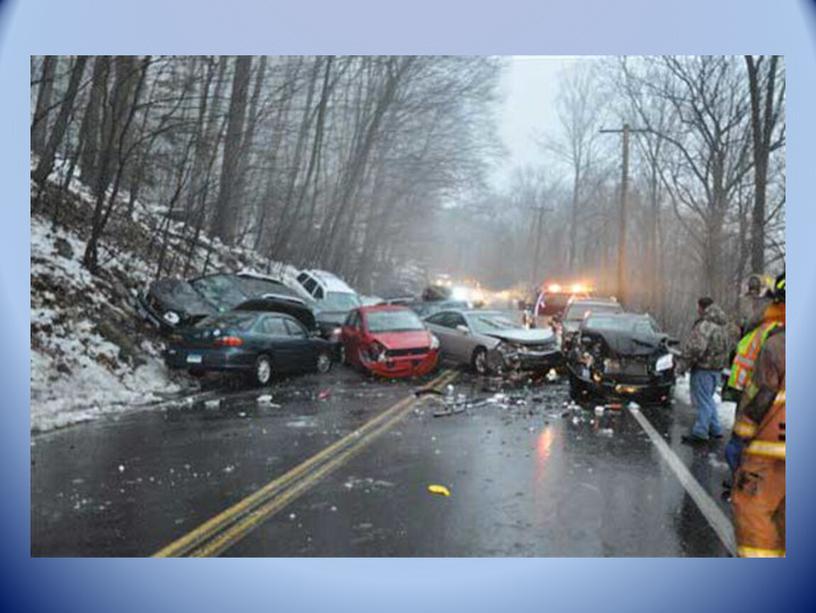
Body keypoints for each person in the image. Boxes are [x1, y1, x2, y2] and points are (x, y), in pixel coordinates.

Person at [725, 272, 785, 557]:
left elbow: (761, 395)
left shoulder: (775, 341)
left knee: (754, 513)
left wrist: (740, 435)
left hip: (772, 447)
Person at [681, 297, 731, 445]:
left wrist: (683, 365)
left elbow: (696, 348)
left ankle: (700, 432)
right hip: (717, 369)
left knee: (703, 402)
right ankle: (715, 429)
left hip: (703, 368)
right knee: (708, 399)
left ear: (702, 308)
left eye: (698, 308)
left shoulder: (706, 325)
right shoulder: (723, 325)